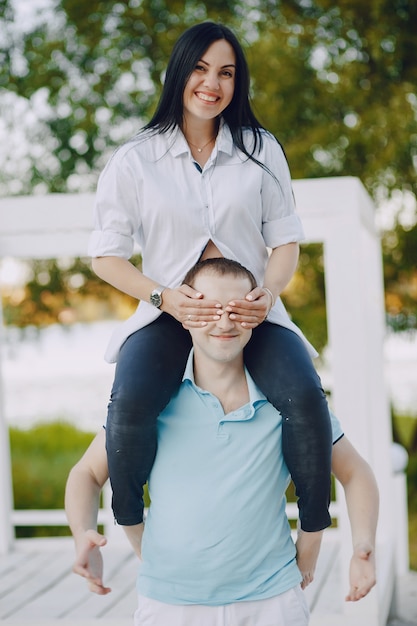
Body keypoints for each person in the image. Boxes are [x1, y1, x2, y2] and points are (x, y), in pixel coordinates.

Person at [88, 21, 333, 547]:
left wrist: (267, 296)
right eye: (200, 69)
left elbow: (285, 241)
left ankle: (311, 532)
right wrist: (165, 298)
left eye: (226, 72)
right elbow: (106, 258)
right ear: (178, 73)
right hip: (173, 313)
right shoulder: (135, 159)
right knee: (128, 405)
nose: (211, 83)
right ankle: (136, 534)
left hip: (250, 313)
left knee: (306, 397)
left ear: (237, 82)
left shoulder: (261, 149)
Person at [66, 258, 378, 626]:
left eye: (238, 310)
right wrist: (83, 532)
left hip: (272, 601)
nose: (225, 322)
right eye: (209, 309)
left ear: (258, 315)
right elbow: (87, 473)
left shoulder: (288, 405)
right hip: (170, 604)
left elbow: (355, 472)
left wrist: (362, 547)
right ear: (184, 315)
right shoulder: (154, 403)